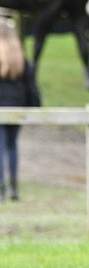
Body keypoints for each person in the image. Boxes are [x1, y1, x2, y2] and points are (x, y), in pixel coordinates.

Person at [0, 19, 40, 200]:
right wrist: (35, 108)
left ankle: (1, 187)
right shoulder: (21, 59)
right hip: (17, 107)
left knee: (0, 147)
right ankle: (14, 187)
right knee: (12, 146)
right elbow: (31, 88)